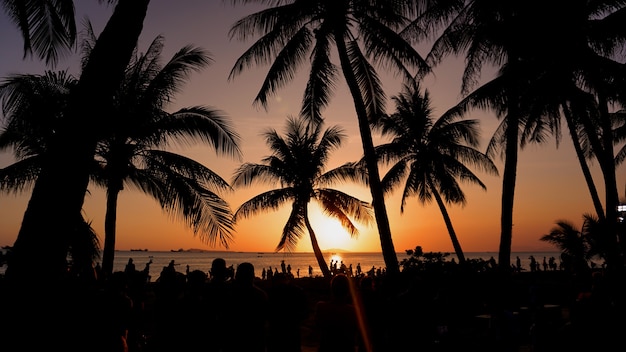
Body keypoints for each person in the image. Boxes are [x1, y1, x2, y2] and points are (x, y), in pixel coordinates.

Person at [222, 262, 268, 352]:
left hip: (233, 339)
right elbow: (265, 318)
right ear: (253, 275)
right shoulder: (260, 295)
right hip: (255, 338)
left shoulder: (229, 293)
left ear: (237, 275)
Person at [314, 274, 359, 352]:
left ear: (332, 289)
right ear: (348, 291)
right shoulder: (353, 311)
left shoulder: (321, 307)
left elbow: (317, 327)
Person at [267, 272, 308, 352]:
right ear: (287, 280)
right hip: (293, 331)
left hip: (275, 332)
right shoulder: (298, 291)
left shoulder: (270, 293)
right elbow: (305, 313)